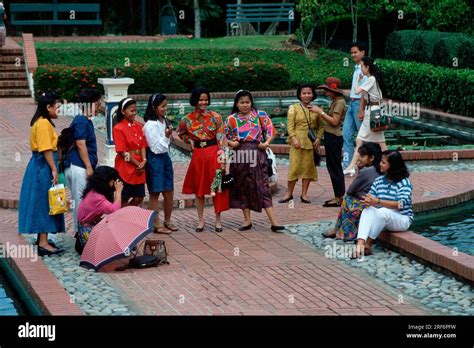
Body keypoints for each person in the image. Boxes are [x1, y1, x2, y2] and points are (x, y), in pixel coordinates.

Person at [225, 90, 285, 233]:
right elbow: (223, 136)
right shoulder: (231, 119)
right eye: (242, 102)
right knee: (241, 186)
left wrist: (266, 143)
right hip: (239, 155)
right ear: (236, 104)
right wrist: (231, 143)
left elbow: (272, 131)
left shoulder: (260, 115)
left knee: (262, 186)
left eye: (247, 102)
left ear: (251, 102)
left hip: (257, 153)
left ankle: (274, 222)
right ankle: (247, 220)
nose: (245, 105)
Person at [18, 92, 65, 256]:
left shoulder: (39, 121)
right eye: (56, 107)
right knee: (46, 203)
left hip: (38, 164)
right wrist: (54, 169)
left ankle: (42, 239)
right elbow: (46, 149)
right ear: (48, 107)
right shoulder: (44, 123)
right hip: (43, 166)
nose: (58, 110)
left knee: (42, 201)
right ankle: (43, 243)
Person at [177, 87, 229, 232]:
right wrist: (189, 140)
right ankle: (201, 221)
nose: (203, 102)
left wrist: (223, 157)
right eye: (201, 99)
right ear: (195, 100)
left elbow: (222, 139)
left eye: (206, 99)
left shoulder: (216, 117)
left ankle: (218, 220)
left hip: (214, 154)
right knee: (199, 189)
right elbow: (180, 133)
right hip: (198, 156)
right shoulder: (186, 120)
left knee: (217, 187)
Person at [351, 150, 413, 258]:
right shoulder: (379, 180)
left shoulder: (404, 182)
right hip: (383, 217)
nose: (380, 164)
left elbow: (400, 205)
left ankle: (368, 244)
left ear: (393, 165)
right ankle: (360, 244)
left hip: (402, 218)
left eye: (383, 162)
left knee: (382, 211)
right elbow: (371, 197)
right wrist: (367, 202)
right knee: (368, 210)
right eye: (381, 161)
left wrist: (378, 201)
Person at [321, 142, 382, 241]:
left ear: (371, 158)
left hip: (369, 206)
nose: (359, 158)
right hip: (379, 206)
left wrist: (359, 171)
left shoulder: (366, 171)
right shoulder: (381, 169)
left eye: (362, 156)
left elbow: (350, 190)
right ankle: (338, 229)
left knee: (347, 198)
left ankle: (344, 232)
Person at [278, 84, 324, 204]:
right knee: (294, 168)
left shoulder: (317, 109)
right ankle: (289, 193)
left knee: (308, 169)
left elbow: (321, 126)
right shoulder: (293, 108)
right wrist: (293, 138)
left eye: (309, 93)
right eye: (304, 93)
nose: (307, 95)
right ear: (299, 94)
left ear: (313, 94)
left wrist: (318, 138)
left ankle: (304, 195)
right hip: (297, 141)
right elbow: (290, 125)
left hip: (311, 142)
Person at [64, 89, 101, 234]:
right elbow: (80, 144)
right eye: (97, 104)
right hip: (79, 167)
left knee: (83, 201)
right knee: (81, 203)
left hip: (80, 167)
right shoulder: (81, 120)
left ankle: (81, 234)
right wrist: (88, 166)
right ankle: (81, 236)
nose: (99, 107)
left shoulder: (85, 120)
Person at [343, 56, 387, 176]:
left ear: (367, 67)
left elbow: (357, 91)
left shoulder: (371, 79)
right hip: (374, 111)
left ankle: (351, 167)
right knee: (380, 144)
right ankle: (393, 165)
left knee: (360, 140)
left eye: (362, 66)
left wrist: (358, 79)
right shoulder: (372, 79)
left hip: (372, 112)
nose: (361, 68)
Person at [143, 93, 178, 234]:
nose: (165, 108)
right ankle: (155, 223)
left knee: (169, 191)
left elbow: (164, 147)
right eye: (162, 106)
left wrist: (167, 136)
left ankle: (168, 220)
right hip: (154, 159)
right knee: (155, 192)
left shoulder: (164, 121)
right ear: (154, 107)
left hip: (165, 158)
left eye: (166, 105)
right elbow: (156, 148)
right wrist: (166, 136)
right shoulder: (150, 125)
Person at [311, 77, 346, 208]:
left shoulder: (339, 102)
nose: (326, 92)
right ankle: (338, 195)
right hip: (331, 137)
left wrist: (320, 112)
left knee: (335, 167)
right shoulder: (336, 101)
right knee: (332, 166)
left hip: (334, 137)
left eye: (327, 90)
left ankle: (339, 197)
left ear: (333, 91)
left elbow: (335, 121)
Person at [76, 166, 123, 254]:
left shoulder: (93, 191)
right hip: (88, 234)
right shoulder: (98, 198)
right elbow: (115, 210)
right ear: (108, 180)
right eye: (114, 180)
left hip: (86, 228)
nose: (115, 183)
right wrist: (119, 192)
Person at [113, 97, 147, 207]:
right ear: (123, 111)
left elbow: (143, 144)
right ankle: (121, 219)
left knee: (139, 197)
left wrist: (144, 160)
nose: (134, 113)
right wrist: (139, 165)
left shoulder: (138, 126)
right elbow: (122, 152)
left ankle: (127, 215)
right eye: (131, 110)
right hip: (125, 167)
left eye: (135, 110)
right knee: (124, 197)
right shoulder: (118, 128)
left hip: (139, 166)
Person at [343, 42, 367, 169]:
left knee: (362, 137)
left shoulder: (365, 69)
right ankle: (347, 166)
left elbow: (365, 91)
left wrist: (361, 109)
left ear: (362, 52)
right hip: (351, 103)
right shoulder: (357, 67)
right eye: (351, 52)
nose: (352, 55)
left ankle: (364, 164)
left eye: (355, 52)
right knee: (346, 134)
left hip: (359, 104)